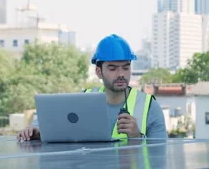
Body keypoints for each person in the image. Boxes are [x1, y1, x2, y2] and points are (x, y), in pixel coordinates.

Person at [17, 34, 168, 141]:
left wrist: (137, 137)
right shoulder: (84, 99)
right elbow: (55, 118)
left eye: (125, 67)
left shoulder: (150, 106)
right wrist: (36, 129)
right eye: (113, 68)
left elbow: (162, 153)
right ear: (98, 71)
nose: (121, 74)